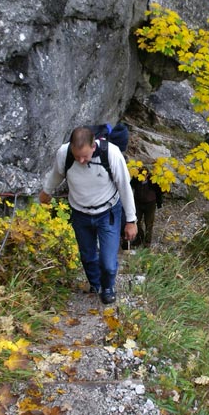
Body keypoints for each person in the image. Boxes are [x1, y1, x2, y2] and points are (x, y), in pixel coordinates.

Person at [39, 126, 137, 304]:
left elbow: (124, 187)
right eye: (77, 156)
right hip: (80, 212)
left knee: (108, 261)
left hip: (107, 212)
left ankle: (108, 286)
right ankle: (96, 284)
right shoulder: (64, 153)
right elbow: (56, 174)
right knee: (88, 255)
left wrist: (131, 220)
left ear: (94, 146)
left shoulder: (112, 154)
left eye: (85, 156)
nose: (81, 160)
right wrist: (47, 191)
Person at [130, 168, 163, 248]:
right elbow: (130, 185)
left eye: (145, 175)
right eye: (142, 175)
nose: (143, 177)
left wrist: (159, 203)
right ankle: (139, 237)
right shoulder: (136, 179)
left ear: (148, 175)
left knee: (149, 223)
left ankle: (147, 242)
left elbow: (160, 191)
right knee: (136, 221)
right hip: (138, 203)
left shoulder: (153, 181)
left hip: (150, 204)